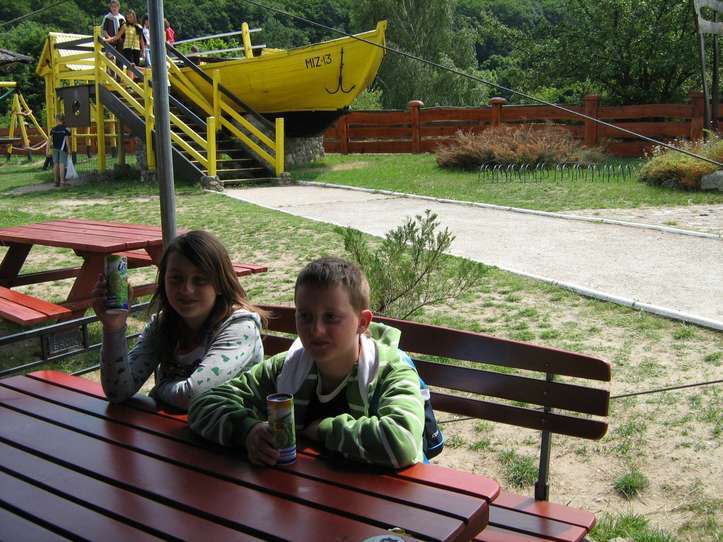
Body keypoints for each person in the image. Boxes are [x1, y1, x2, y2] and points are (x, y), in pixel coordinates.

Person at [189, 257, 425, 469]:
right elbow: (205, 403)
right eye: (305, 316)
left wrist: (324, 430)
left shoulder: (389, 371)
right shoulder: (286, 368)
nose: (316, 330)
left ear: (362, 322)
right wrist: (248, 431)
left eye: (331, 317)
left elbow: (402, 442)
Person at [93, 230, 266, 411]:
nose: (186, 289)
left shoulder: (240, 327)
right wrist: (113, 328)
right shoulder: (163, 325)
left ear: (220, 285)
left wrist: (159, 388)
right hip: (170, 426)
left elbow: (193, 395)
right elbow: (117, 391)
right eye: (176, 279)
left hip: (229, 426)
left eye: (199, 280)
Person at [105, 9, 144, 81]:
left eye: (131, 17)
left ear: (134, 17)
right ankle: (130, 83)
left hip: (136, 48)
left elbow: (141, 39)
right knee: (131, 65)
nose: (129, 19)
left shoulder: (139, 27)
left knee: (136, 66)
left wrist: (143, 50)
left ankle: (134, 82)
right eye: (128, 17)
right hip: (127, 48)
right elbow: (117, 36)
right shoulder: (125, 26)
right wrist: (107, 40)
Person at [49, 113, 70, 187]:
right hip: (62, 149)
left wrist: (48, 149)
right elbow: (67, 140)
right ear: (63, 120)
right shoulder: (66, 129)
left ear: (57, 120)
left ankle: (56, 181)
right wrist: (69, 149)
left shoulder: (53, 129)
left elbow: (50, 140)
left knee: (55, 164)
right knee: (62, 164)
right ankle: (62, 182)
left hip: (54, 148)